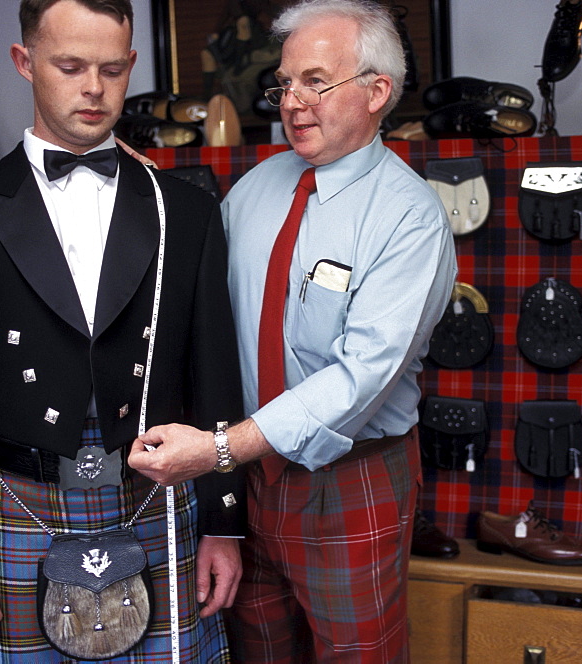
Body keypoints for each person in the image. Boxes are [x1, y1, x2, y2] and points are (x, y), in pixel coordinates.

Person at [0, 0, 246, 661]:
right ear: (23, 61)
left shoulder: (187, 210)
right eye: (70, 65)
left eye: (111, 68)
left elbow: (214, 374)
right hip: (15, 497)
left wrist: (224, 522)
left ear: (131, 67)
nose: (93, 88)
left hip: (155, 494)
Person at [128, 0, 457, 660]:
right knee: (258, 650)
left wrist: (219, 449)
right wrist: (137, 192)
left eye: (316, 81)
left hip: (349, 481)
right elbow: (198, 300)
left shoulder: (410, 218)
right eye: (284, 84)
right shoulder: (254, 188)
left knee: (357, 654)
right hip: (246, 481)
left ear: (377, 91)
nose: (293, 101)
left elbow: (357, 380)